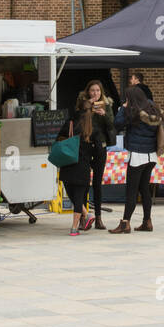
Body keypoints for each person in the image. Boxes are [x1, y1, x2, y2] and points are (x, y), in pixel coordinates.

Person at [110, 86, 163, 234]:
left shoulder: (132, 111)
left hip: (137, 154)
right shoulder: (152, 107)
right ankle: (147, 221)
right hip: (151, 154)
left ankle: (125, 223)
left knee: (131, 190)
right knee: (144, 189)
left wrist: (122, 108)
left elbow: (117, 124)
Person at [55, 93, 108, 236]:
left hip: (67, 164)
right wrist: (92, 162)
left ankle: (77, 224)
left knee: (72, 194)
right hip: (83, 166)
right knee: (78, 196)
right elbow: (99, 150)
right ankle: (77, 224)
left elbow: (58, 139)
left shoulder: (70, 123)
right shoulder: (94, 129)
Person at [78, 80, 115, 230]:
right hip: (85, 145)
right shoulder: (83, 104)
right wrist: (88, 109)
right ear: (88, 92)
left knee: (98, 183)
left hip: (100, 145)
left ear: (101, 92)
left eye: (98, 91)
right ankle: (84, 217)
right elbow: (77, 120)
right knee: (84, 182)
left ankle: (99, 217)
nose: (95, 93)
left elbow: (112, 125)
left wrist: (104, 114)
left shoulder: (106, 104)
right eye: (92, 91)